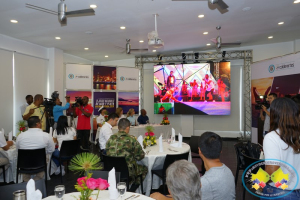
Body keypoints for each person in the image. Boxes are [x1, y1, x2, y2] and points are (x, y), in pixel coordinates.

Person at [150, 131, 235, 200]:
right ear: (220, 151)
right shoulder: (228, 171)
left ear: (199, 151)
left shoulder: (204, 183)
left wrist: (160, 197)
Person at [262, 98, 300, 199]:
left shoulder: (272, 137)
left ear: (275, 114)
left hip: (280, 192)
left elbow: (272, 170)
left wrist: (261, 183)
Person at [106, 118, 148, 188]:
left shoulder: (111, 138)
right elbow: (140, 156)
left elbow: (107, 152)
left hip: (112, 170)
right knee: (145, 169)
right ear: (128, 128)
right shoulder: (131, 139)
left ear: (118, 127)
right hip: (128, 171)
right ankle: (132, 189)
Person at [16, 116, 55, 181]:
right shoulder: (46, 135)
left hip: (24, 164)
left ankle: (27, 182)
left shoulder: (20, 136)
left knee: (26, 171)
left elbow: (18, 150)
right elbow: (51, 149)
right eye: (41, 122)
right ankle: (35, 181)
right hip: (40, 163)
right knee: (45, 162)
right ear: (38, 124)